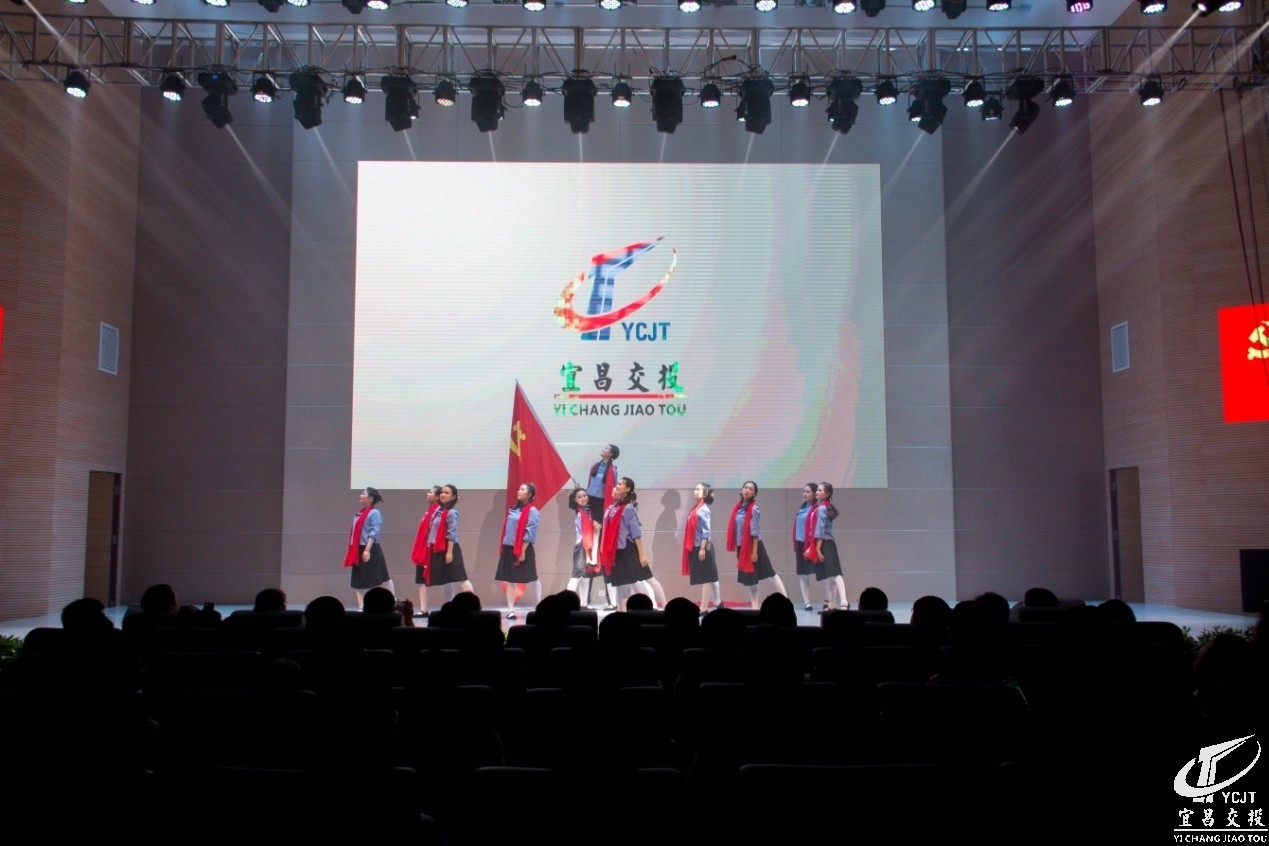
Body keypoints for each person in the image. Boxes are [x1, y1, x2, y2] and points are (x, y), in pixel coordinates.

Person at [599, 477, 664, 610]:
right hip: (617, 551)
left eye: (620, 484)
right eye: (617, 484)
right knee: (621, 584)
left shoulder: (628, 508)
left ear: (628, 489)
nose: (617, 486)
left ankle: (666, 605)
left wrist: (642, 555)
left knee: (649, 578)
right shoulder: (614, 507)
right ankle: (621, 611)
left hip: (629, 549)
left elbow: (636, 534)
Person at [725, 480, 787, 610]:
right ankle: (755, 609)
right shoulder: (738, 508)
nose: (747, 490)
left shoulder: (754, 509)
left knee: (770, 574)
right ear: (742, 489)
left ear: (755, 494)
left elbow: (755, 532)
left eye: (750, 489)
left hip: (755, 546)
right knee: (751, 579)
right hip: (742, 547)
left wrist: (754, 552)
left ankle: (786, 601)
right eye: (745, 487)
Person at [423, 484, 473, 614]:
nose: (442, 494)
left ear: (453, 497)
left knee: (461, 578)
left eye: (446, 493)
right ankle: (450, 607)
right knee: (444, 581)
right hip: (437, 548)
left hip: (449, 548)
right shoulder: (438, 511)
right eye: (442, 492)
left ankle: (473, 606)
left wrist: (449, 552)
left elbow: (451, 533)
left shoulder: (451, 512)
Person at [495, 482, 541, 619]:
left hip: (523, 548)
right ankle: (510, 610)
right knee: (511, 580)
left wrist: (522, 550)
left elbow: (530, 532)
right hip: (509, 548)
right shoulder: (513, 509)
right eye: (519, 489)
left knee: (532, 578)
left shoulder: (533, 511)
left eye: (522, 489)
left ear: (530, 494)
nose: (519, 491)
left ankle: (539, 606)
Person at [344, 486, 396, 610]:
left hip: (371, 548)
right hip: (358, 549)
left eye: (363, 494)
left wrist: (367, 550)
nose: (361, 495)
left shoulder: (374, 513)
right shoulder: (360, 513)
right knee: (359, 580)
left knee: (383, 577)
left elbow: (374, 532)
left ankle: (393, 602)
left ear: (370, 498)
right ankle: (361, 607)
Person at [566, 487, 615, 608]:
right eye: (579, 497)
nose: (583, 498)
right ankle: (564, 603)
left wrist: (598, 525)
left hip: (590, 546)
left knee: (586, 577)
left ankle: (584, 604)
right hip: (582, 546)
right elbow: (585, 533)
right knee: (576, 576)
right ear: (575, 500)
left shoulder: (589, 510)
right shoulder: (579, 511)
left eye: (584, 495)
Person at [804, 482, 848, 611]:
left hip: (825, 543)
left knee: (834, 573)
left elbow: (820, 529)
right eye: (817, 490)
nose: (817, 492)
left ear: (827, 493)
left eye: (820, 490)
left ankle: (844, 601)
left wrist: (817, 548)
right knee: (829, 576)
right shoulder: (822, 507)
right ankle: (832, 603)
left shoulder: (823, 508)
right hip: (823, 542)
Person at [683, 482, 721, 611]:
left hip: (702, 547)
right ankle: (718, 602)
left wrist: (702, 548)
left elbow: (706, 532)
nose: (695, 491)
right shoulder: (696, 508)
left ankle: (704, 608)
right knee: (711, 577)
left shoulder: (703, 510)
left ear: (704, 494)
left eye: (698, 490)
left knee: (708, 578)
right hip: (697, 546)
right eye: (695, 489)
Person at [410, 486, 442, 617]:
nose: (427, 494)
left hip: (432, 551)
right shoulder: (429, 511)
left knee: (446, 582)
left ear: (437, 497)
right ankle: (424, 609)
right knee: (423, 581)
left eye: (430, 492)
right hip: (423, 550)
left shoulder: (438, 511)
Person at [793, 482, 819, 612]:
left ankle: (829, 601)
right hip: (800, 543)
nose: (805, 494)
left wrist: (812, 546)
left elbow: (817, 529)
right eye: (804, 491)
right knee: (804, 574)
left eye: (808, 492)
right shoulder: (802, 508)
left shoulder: (817, 509)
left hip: (812, 544)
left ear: (814, 494)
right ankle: (807, 602)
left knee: (822, 573)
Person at [585, 444, 620, 526]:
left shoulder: (613, 470)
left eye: (606, 448)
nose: (603, 449)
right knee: (588, 521)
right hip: (589, 497)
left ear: (611, 454)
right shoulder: (595, 466)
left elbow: (615, 486)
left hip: (600, 500)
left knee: (598, 523)